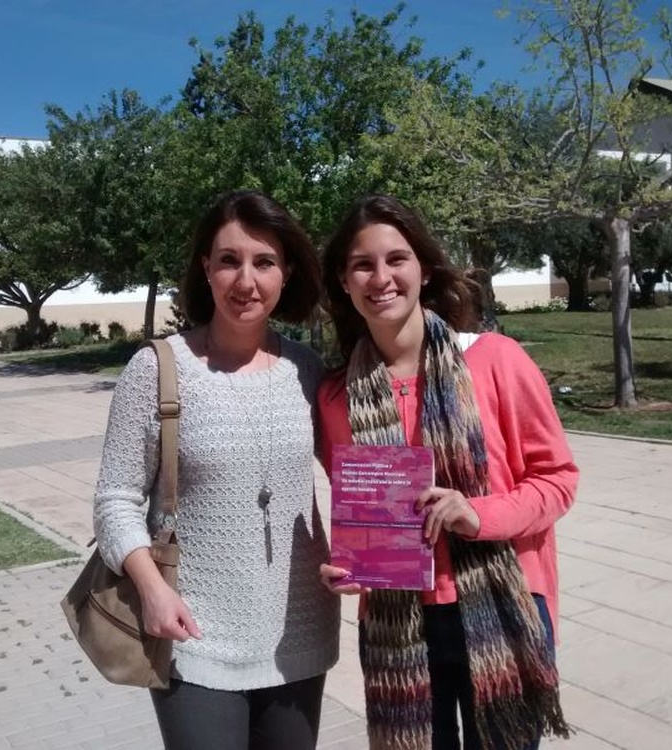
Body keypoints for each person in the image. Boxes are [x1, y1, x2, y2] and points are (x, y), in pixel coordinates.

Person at [317, 195, 577, 750]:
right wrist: (353, 566)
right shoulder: (336, 397)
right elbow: (360, 509)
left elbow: (557, 479)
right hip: (398, 627)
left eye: (397, 259)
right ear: (343, 280)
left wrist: (477, 513)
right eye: (362, 265)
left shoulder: (496, 359)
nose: (381, 278)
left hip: (502, 603)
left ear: (425, 269)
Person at [93, 190, 340, 750]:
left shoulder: (306, 369)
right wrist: (152, 590)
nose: (245, 281)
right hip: (192, 633)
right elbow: (114, 500)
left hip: (298, 632)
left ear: (286, 273)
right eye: (229, 260)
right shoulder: (157, 369)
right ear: (206, 269)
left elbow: (351, 473)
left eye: (264, 262)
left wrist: (369, 547)